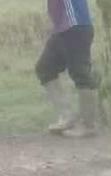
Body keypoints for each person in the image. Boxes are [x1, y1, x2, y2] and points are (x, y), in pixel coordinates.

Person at [37, 0, 99, 138]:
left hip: (75, 24)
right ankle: (67, 117)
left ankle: (88, 124)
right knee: (45, 68)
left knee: (80, 73)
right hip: (62, 29)